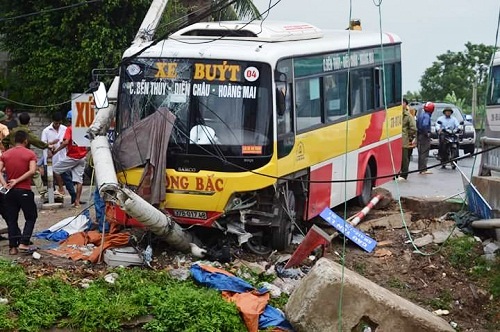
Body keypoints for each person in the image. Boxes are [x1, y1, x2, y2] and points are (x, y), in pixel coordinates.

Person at [0, 130, 38, 255]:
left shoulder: (5, 154)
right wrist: (17, 180)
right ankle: (24, 242)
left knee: (11, 219)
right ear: (26, 141)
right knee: (31, 217)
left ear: (14, 141)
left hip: (9, 192)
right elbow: (32, 171)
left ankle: (12, 248)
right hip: (24, 190)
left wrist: (5, 184)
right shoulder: (30, 154)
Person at [2, 112, 54, 197]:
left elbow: (4, 141)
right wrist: (47, 146)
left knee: (11, 173)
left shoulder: (13, 131)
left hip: (12, 155)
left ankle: (8, 190)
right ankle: (43, 193)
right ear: (29, 122)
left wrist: (8, 150)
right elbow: (36, 142)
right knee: (35, 173)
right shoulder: (26, 132)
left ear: (19, 121)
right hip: (24, 156)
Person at [52, 110, 88, 208]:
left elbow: (65, 142)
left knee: (55, 169)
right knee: (79, 180)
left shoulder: (70, 129)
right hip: (82, 157)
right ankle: (76, 202)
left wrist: (55, 151)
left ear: (69, 119)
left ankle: (60, 189)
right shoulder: (83, 129)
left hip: (72, 157)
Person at [41, 112, 74, 199]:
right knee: (50, 181)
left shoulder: (64, 129)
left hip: (62, 158)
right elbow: (42, 144)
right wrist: (52, 143)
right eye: (56, 123)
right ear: (53, 121)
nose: (58, 125)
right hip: (50, 159)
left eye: (59, 123)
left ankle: (74, 198)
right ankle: (53, 198)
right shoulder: (46, 131)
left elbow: (68, 141)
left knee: (67, 179)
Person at [397, 99, 417, 181]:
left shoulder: (408, 116)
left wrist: (408, 136)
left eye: (403, 103)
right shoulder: (395, 114)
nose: (401, 104)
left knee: (404, 158)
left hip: (403, 140)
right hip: (394, 140)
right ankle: (396, 173)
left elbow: (413, 128)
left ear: (406, 105)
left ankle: (404, 175)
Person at [416, 101, 434, 175]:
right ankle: (423, 169)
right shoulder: (427, 116)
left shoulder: (421, 115)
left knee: (420, 152)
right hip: (424, 136)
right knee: (424, 152)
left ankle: (421, 168)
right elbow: (425, 125)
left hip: (419, 134)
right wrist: (427, 133)